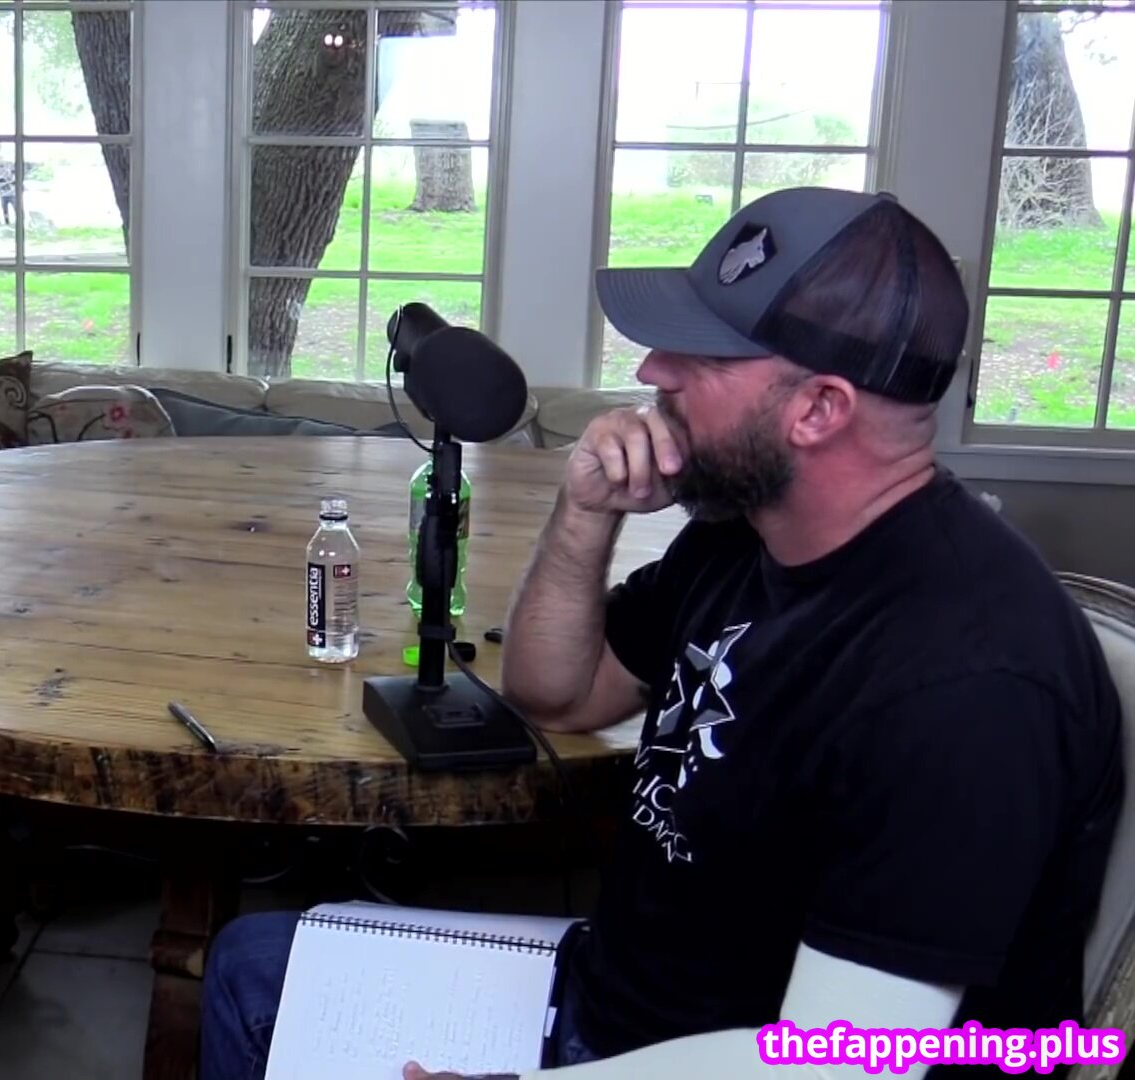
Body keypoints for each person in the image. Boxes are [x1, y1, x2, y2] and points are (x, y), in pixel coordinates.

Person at [199, 187, 1125, 1080]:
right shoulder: (747, 535)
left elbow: (839, 1064)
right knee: (251, 969)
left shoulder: (969, 682)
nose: (650, 373)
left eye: (700, 356)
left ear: (819, 409)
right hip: (619, 997)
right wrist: (584, 511)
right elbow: (555, 695)